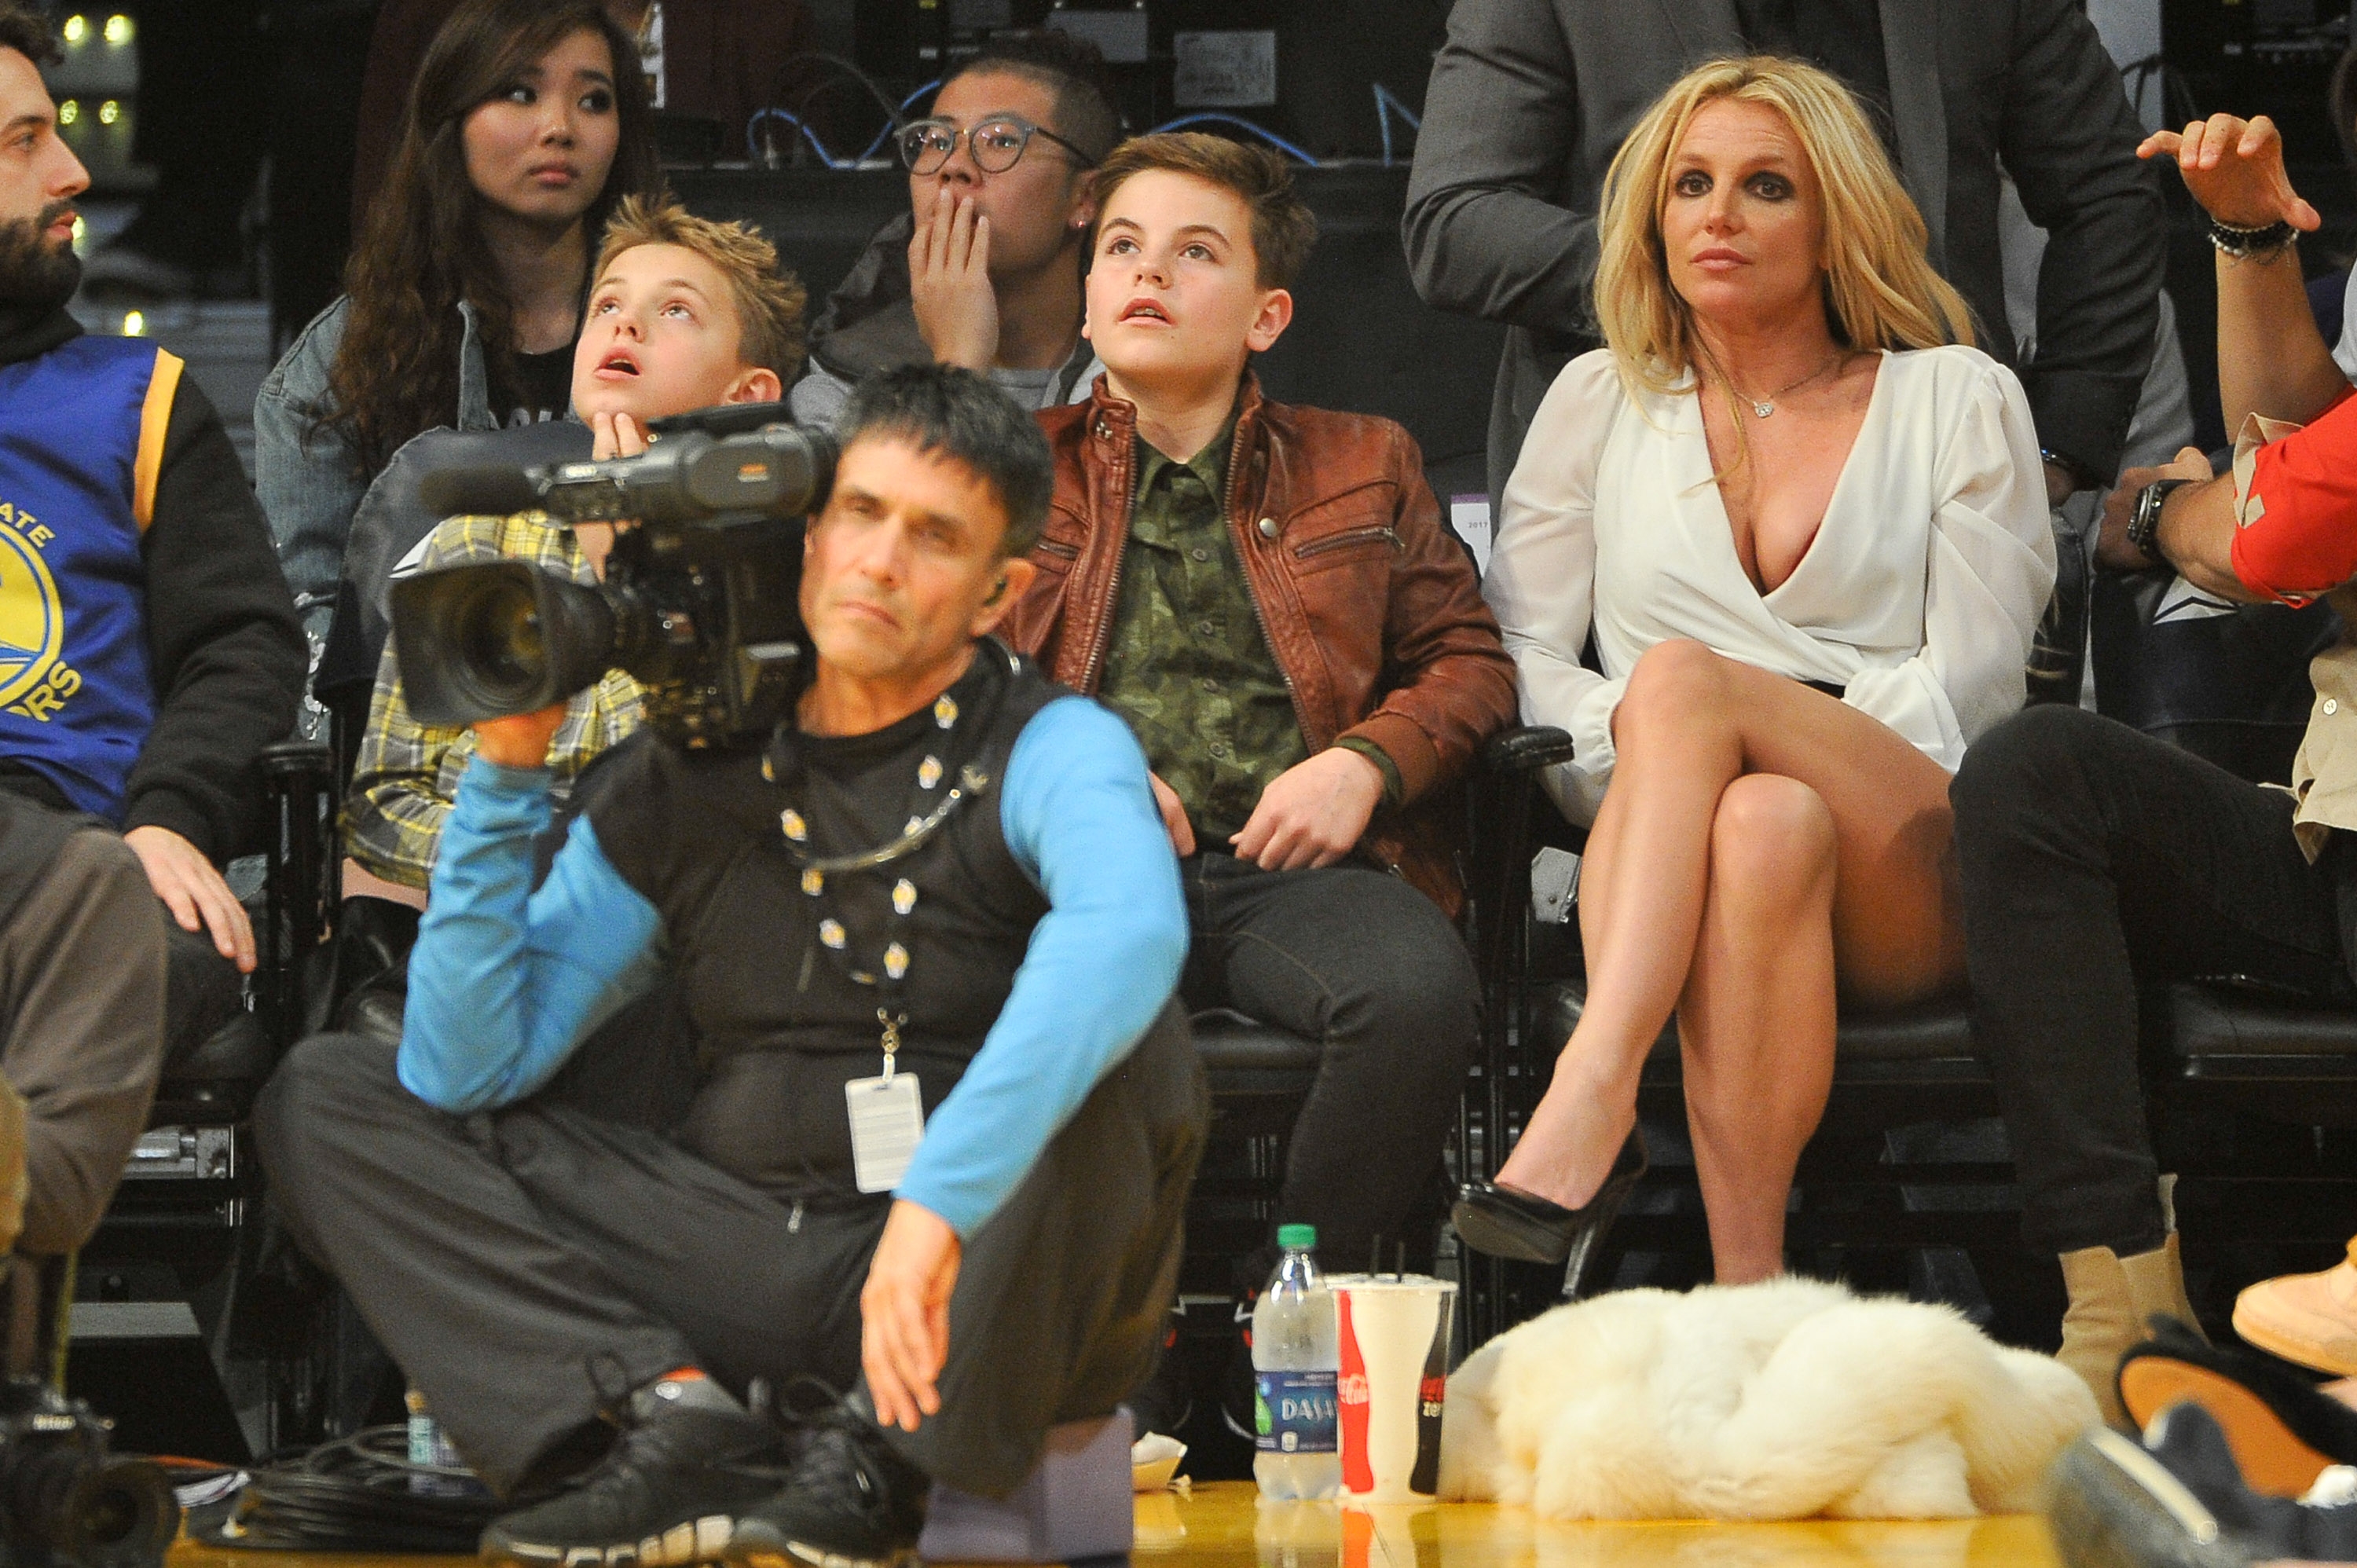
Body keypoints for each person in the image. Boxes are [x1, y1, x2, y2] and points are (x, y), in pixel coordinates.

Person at [256, 363, 1204, 1568]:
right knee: (334, 1092)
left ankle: (884, 1466)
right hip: (742, 1251)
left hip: (981, 1280)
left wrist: (938, 1206)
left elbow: (1129, 933)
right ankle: (663, 1417)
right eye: (860, 515)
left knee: (1138, 1045)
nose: (879, 562)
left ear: (997, 593)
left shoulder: (1053, 745)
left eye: (932, 537)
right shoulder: (686, 771)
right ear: (812, 534)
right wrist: (506, 768)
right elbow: (461, 1071)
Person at [1458, 57, 2055, 1289]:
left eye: (1765, 186)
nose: (1718, 215)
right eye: (1690, 185)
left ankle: (1592, 1082)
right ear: (1653, 219)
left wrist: (1738, 716)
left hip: (1907, 848)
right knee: (1761, 818)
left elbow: (1975, 693)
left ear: (1836, 219)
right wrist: (1681, 757)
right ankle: (1753, 1300)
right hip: (1671, 834)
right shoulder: (1596, 399)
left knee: (1687, 682)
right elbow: (1520, 657)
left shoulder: (1954, 396)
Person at [1005, 131, 1514, 1334]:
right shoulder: (1010, 473)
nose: (1148, 272)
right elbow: (933, 675)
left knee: (1414, 993)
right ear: (1089, 294)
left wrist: (1365, 763)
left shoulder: (1364, 458)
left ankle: (1292, 1323)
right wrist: (1080, 772)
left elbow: (1469, 662)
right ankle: (1112, 1353)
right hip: (1084, 874)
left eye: (1194, 253)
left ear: (1266, 315)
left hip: (1306, 872)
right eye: (1122, 247)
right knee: (1006, 996)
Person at [1951, 108, 2357, 1423]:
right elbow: (2299, 441)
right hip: (2337, 813)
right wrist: (2246, 238)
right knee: (2038, 776)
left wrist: (2156, 511)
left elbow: (2282, 530)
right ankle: (2125, 1314)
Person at [0, 3, 305, 1289]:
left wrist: (174, 814)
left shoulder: (139, 403)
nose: (74, 172)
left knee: (139, 931)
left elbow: (245, 646)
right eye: (22, 142)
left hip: (93, 854)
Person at [1402, 0, 2164, 515]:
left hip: (1931, 471)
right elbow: (1456, 221)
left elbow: (2107, 191)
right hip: (1639, 475)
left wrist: (2057, 444)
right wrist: (1705, 271)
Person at [344, 193, 805, 907]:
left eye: (675, 310)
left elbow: (737, 811)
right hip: (486, 908)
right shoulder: (479, 536)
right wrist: (523, 863)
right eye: (606, 305)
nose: (627, 322)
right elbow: (383, 801)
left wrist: (628, 580)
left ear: (748, 393)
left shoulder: (783, 569)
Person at [256, 0, 658, 662]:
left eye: (594, 100)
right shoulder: (335, 363)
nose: (560, 128)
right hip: (418, 705)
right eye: (520, 93)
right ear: (452, 118)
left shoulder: (684, 330)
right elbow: (309, 628)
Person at [789, 31, 1117, 427]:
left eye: (1001, 140)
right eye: (936, 140)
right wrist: (959, 361)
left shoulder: (1139, 376)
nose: (953, 166)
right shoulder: (847, 381)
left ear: (1086, 197)